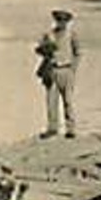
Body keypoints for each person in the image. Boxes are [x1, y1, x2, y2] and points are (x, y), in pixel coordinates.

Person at [34, 9, 82, 139]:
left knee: (68, 101)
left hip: (66, 70)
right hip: (51, 70)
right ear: (55, 21)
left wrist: (73, 68)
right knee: (51, 101)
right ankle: (52, 128)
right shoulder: (49, 34)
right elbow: (38, 49)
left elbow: (78, 53)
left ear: (68, 22)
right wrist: (45, 50)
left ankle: (70, 129)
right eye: (59, 20)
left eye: (64, 21)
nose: (61, 23)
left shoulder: (72, 35)